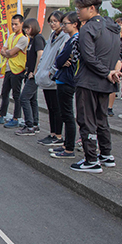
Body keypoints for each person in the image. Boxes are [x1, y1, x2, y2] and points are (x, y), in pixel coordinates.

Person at [70, 0, 122, 173]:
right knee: (102, 119)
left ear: (91, 8)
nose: (78, 12)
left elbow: (88, 56)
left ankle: (91, 159)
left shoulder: (88, 28)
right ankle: (106, 154)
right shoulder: (113, 27)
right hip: (106, 81)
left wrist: (105, 72)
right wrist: (110, 71)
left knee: (86, 120)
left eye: (80, 8)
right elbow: (118, 54)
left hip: (89, 80)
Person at [35, 11, 69, 146]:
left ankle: (58, 135)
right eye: (51, 21)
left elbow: (61, 56)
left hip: (54, 77)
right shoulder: (52, 36)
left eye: (56, 21)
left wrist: (52, 71)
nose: (53, 23)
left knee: (57, 108)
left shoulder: (65, 37)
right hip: (45, 75)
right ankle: (52, 133)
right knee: (50, 107)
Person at [50, 12, 80, 159]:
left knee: (67, 115)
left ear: (75, 24)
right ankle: (65, 145)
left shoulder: (75, 39)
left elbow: (61, 59)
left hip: (68, 80)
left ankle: (69, 148)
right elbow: (59, 59)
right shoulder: (69, 39)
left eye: (65, 23)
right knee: (64, 113)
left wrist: (61, 61)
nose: (63, 26)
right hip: (62, 79)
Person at [0, 14, 28, 127]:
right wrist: (9, 53)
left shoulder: (23, 39)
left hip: (18, 69)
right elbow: (3, 50)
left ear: (21, 24)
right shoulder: (11, 36)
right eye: (12, 24)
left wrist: (9, 53)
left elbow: (9, 52)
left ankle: (16, 118)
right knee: (4, 92)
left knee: (16, 95)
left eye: (16, 24)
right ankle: (1, 114)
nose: (14, 26)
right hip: (9, 68)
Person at [14, 18, 45, 136]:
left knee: (24, 98)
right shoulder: (31, 40)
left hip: (34, 74)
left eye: (28, 28)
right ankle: (34, 123)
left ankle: (29, 125)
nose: (26, 31)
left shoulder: (38, 38)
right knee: (32, 99)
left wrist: (35, 71)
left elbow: (40, 55)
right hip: (30, 73)